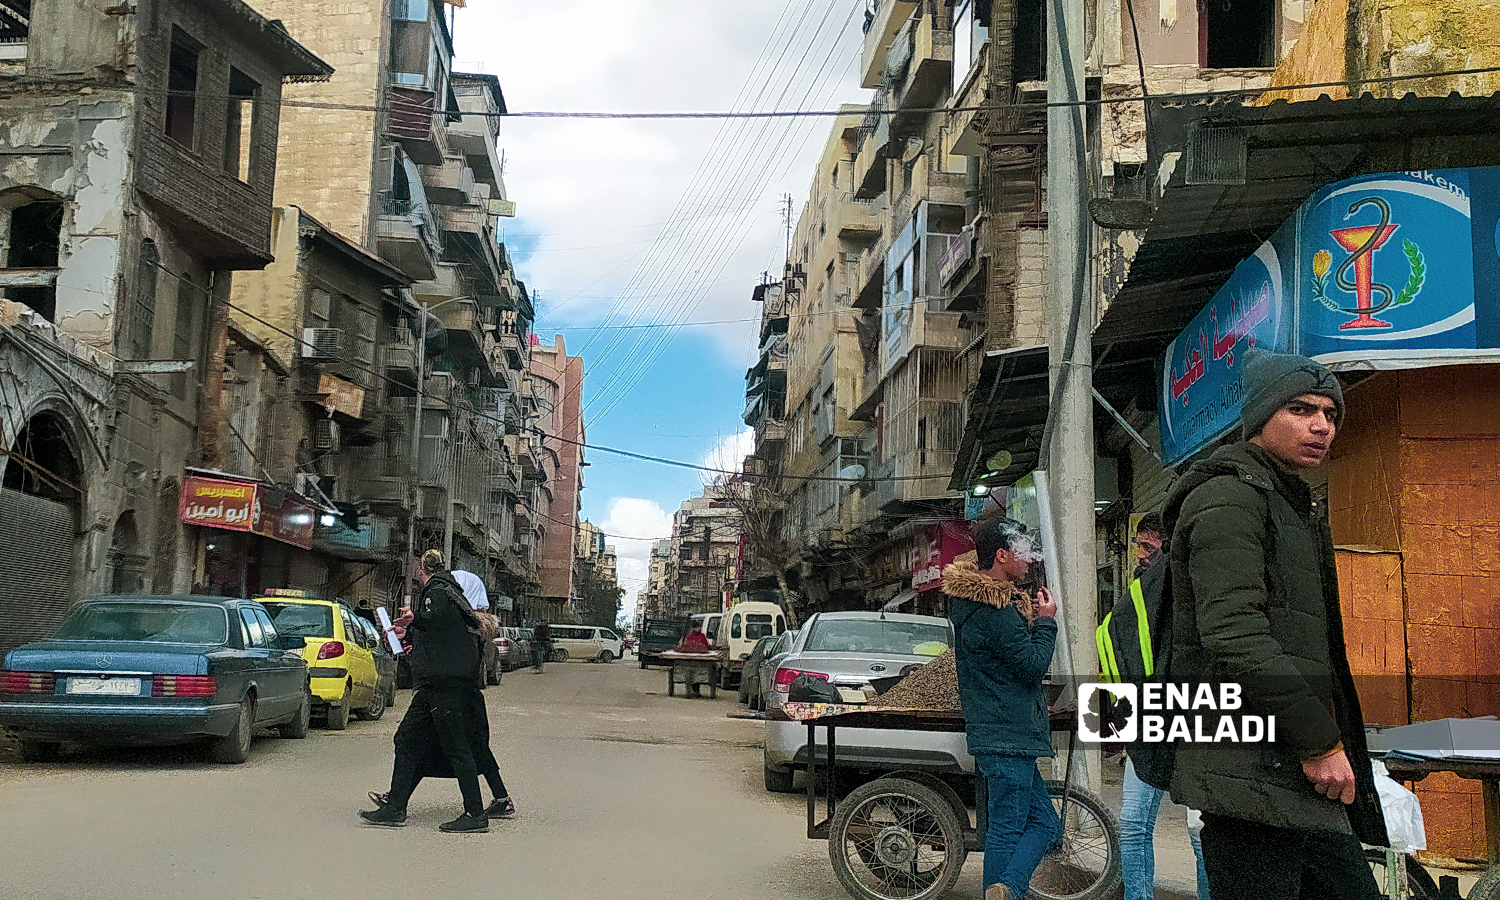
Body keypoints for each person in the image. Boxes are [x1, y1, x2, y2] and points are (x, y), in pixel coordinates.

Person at [1162, 348, 1387, 899]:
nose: (1321, 426)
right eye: (1301, 410)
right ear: (1260, 419)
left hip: (1289, 772)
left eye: (1331, 414)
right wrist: (1319, 744)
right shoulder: (1229, 498)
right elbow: (1234, 633)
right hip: (1250, 774)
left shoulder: (1288, 501)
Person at [943, 516, 1062, 900]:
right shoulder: (997, 611)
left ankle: (1007, 888)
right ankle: (1008, 888)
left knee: (1045, 825)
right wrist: (1046, 624)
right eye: (1023, 553)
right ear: (1001, 555)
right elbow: (1031, 667)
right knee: (1009, 828)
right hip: (1008, 733)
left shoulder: (980, 604)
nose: (1029, 561)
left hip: (1003, 732)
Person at [1102, 514, 1210, 900]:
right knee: (1132, 823)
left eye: (1147, 547)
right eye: (1138, 546)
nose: (1139, 555)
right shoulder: (1138, 594)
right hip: (1146, 720)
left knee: (1200, 831)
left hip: (1194, 718)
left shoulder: (1192, 588)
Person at [360, 550, 490, 833]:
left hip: (445, 686)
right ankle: (395, 807)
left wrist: (413, 620)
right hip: (434, 685)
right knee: (406, 739)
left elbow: (433, 620)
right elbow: (438, 635)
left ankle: (476, 814)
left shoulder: (439, 592)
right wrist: (409, 640)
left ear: (421, 569)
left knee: (457, 748)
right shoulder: (449, 592)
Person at [672, 623, 715, 697]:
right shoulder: (689, 636)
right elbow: (685, 645)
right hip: (689, 660)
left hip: (700, 660)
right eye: (696, 627)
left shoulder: (702, 636)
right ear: (693, 628)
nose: (698, 629)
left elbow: (706, 645)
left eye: (699, 627)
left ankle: (696, 690)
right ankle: (694, 690)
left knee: (697, 671)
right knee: (693, 671)